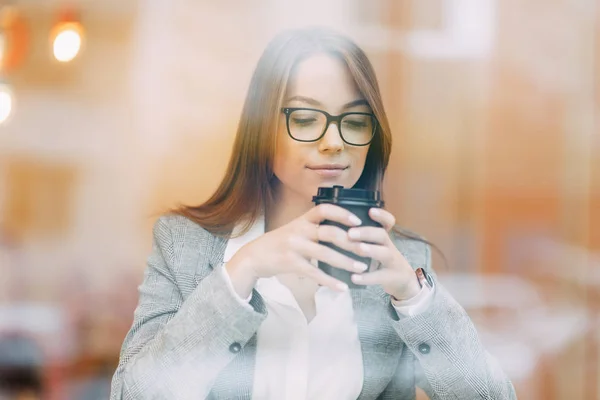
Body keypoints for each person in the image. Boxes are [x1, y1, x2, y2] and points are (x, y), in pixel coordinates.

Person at [110, 27, 516, 399]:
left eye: (355, 121)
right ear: (261, 131)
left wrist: (413, 298)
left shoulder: (400, 263)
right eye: (305, 118)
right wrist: (241, 273)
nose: (334, 142)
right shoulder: (186, 246)